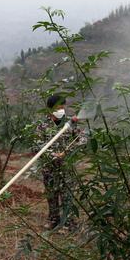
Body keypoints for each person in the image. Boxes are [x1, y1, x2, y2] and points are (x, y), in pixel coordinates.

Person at [32, 94, 84, 230]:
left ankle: (69, 222)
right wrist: (53, 154)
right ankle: (53, 220)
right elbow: (37, 146)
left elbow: (82, 139)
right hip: (49, 168)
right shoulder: (42, 126)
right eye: (58, 107)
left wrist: (68, 152)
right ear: (50, 109)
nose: (61, 110)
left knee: (68, 195)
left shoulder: (70, 123)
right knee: (52, 195)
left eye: (63, 107)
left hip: (67, 167)